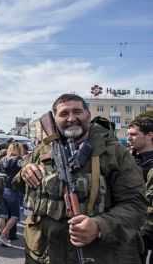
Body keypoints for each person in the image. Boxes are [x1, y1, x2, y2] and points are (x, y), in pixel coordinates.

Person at [12, 93, 147, 263]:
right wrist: (25, 172)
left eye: (77, 112)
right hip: (42, 253)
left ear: (88, 116)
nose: (71, 118)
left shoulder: (114, 152)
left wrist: (99, 226)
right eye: (63, 114)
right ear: (54, 120)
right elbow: (17, 184)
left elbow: (136, 204)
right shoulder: (42, 149)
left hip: (97, 255)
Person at [127, 117, 153, 263]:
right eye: (128, 134)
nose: (129, 138)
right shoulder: (128, 160)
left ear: (150, 135)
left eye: (134, 134)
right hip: (129, 227)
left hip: (146, 228)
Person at [0, 142, 24, 247]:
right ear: (18, 149)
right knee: (15, 215)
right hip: (12, 189)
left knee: (2, 215)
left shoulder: (2, 160)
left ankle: (4, 238)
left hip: (1, 189)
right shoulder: (18, 160)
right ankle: (3, 236)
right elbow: (24, 167)